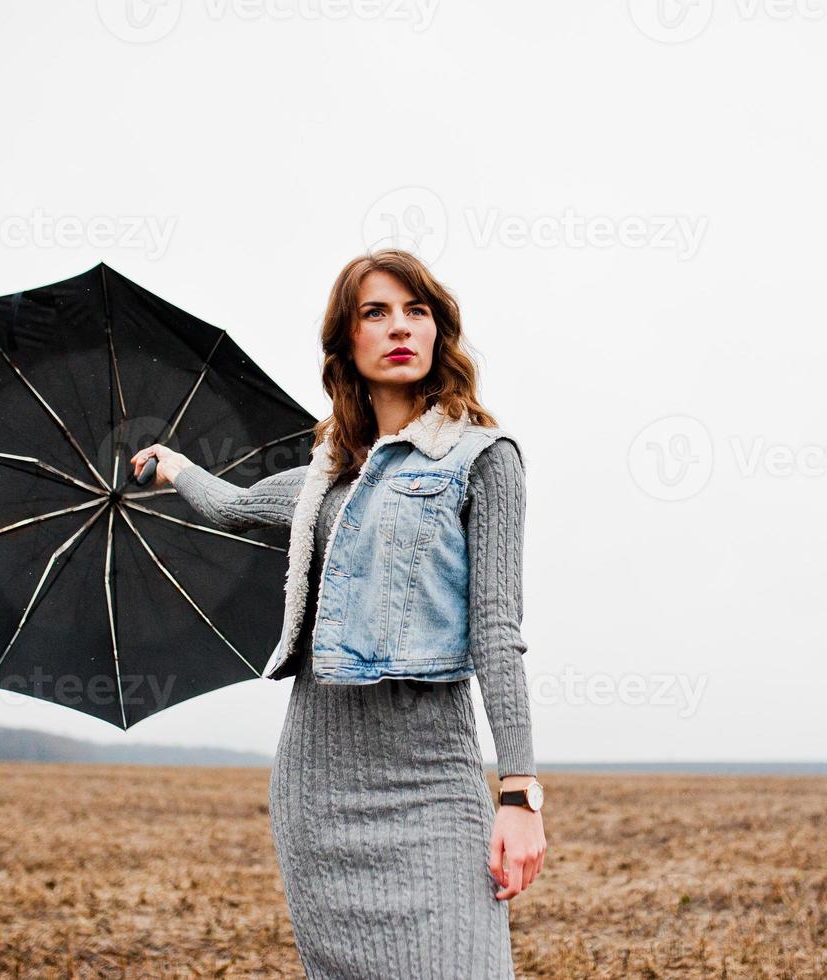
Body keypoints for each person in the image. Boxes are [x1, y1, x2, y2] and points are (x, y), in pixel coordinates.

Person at [130, 248, 545, 979]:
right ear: (345, 342)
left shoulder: (483, 459)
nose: (399, 328)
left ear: (438, 332)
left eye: (416, 311)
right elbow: (231, 508)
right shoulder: (322, 480)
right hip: (318, 784)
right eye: (375, 313)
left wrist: (517, 792)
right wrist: (175, 465)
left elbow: (497, 632)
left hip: (432, 777)